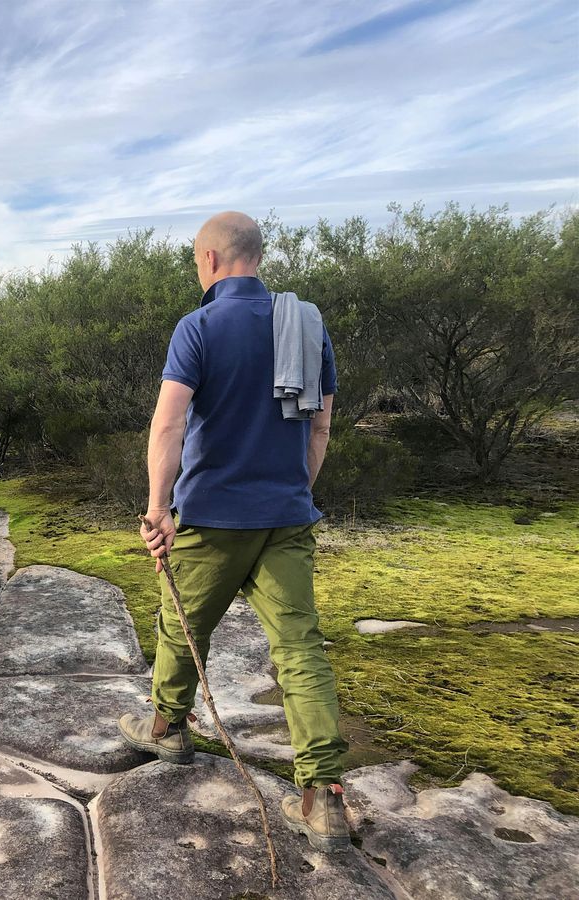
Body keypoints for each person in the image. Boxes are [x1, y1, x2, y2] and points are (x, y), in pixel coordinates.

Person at [117, 211, 352, 853]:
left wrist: (156, 507)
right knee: (299, 649)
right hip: (287, 519)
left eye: (197, 258)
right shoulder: (307, 323)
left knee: (182, 624)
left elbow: (167, 427)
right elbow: (321, 427)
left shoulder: (198, 326)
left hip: (211, 518)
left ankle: (167, 729)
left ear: (213, 260)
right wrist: (294, 491)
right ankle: (323, 798)